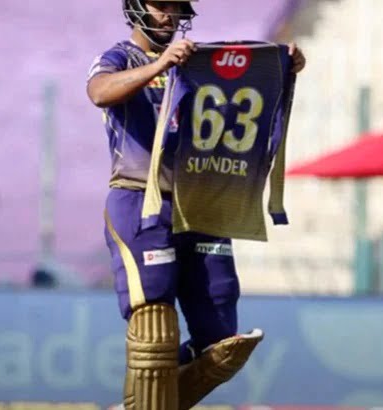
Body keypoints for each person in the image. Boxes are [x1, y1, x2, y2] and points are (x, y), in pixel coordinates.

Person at [85, 1, 306, 409]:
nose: (169, 15)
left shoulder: (197, 63)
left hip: (201, 201)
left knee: (223, 346)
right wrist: (159, 65)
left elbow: (241, 85)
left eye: (176, 7)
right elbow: (99, 92)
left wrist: (281, 65)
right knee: (154, 330)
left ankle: (144, 402)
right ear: (135, 7)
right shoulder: (121, 57)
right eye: (160, 6)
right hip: (141, 199)